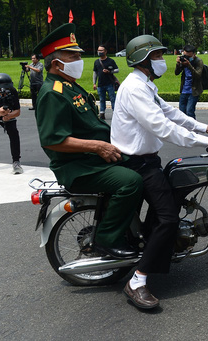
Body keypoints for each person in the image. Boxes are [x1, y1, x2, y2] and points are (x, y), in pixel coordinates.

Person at [111, 34, 208, 310]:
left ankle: (155, 248)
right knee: (168, 218)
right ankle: (136, 281)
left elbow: (171, 113)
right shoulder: (135, 88)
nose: (164, 60)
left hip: (147, 160)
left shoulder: (144, 85)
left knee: (169, 202)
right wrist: (205, 142)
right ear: (145, 60)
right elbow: (163, 127)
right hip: (137, 163)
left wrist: (202, 126)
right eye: (158, 56)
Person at [34, 23, 143, 264]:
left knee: (146, 166)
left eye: (78, 54)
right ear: (56, 63)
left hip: (92, 159)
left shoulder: (69, 86)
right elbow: (54, 141)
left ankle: (136, 231)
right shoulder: (53, 92)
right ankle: (107, 240)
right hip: (79, 166)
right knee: (130, 183)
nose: (79, 59)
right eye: (72, 55)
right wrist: (98, 147)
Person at [174, 44, 203, 119]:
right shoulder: (183, 60)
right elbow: (176, 73)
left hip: (194, 90)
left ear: (194, 54)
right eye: (185, 55)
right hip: (184, 90)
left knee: (189, 111)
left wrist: (189, 65)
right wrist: (178, 63)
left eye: (189, 57)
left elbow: (198, 75)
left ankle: (193, 129)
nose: (187, 58)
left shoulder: (198, 61)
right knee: (182, 112)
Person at [93, 45, 119, 119]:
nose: (99, 52)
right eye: (98, 50)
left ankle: (115, 113)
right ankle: (102, 113)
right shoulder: (96, 62)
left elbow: (117, 70)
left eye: (101, 50)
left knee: (112, 98)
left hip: (110, 83)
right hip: (100, 84)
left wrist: (109, 71)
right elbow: (95, 73)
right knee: (102, 99)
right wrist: (94, 83)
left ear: (105, 51)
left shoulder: (110, 61)